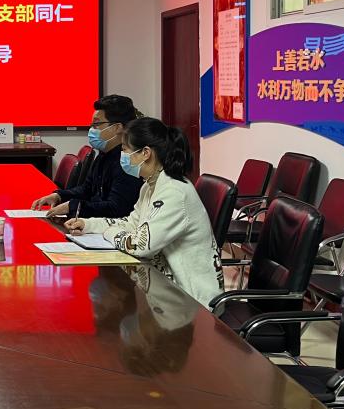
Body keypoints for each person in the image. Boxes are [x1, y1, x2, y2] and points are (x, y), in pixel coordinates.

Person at [66, 117, 223, 306]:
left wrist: (109, 232)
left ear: (146, 153)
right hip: (166, 289)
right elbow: (131, 223)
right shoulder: (150, 186)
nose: (122, 155)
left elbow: (140, 246)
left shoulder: (174, 192)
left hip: (192, 301)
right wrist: (88, 224)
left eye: (125, 149)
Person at [31, 95, 143, 219]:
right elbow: (87, 189)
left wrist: (74, 207)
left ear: (117, 127)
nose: (91, 130)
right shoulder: (104, 154)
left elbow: (116, 209)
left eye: (96, 124)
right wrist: (59, 196)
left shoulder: (128, 161)